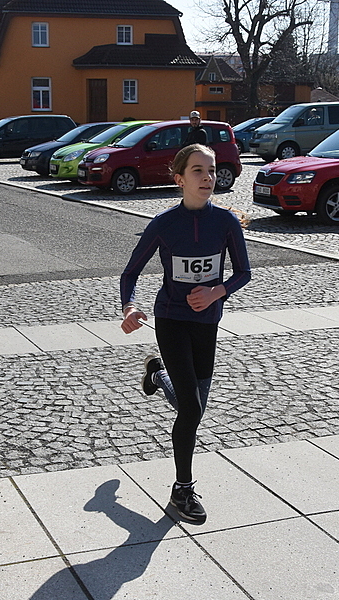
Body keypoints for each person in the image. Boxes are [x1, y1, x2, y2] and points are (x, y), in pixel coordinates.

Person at [120, 143, 251, 524]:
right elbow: (130, 273)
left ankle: (158, 375)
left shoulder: (225, 222)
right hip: (172, 319)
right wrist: (130, 307)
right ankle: (182, 489)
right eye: (198, 170)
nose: (208, 177)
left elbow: (243, 273)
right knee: (191, 410)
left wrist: (216, 291)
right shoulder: (164, 224)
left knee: (194, 407)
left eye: (211, 170)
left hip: (207, 323)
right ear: (179, 179)